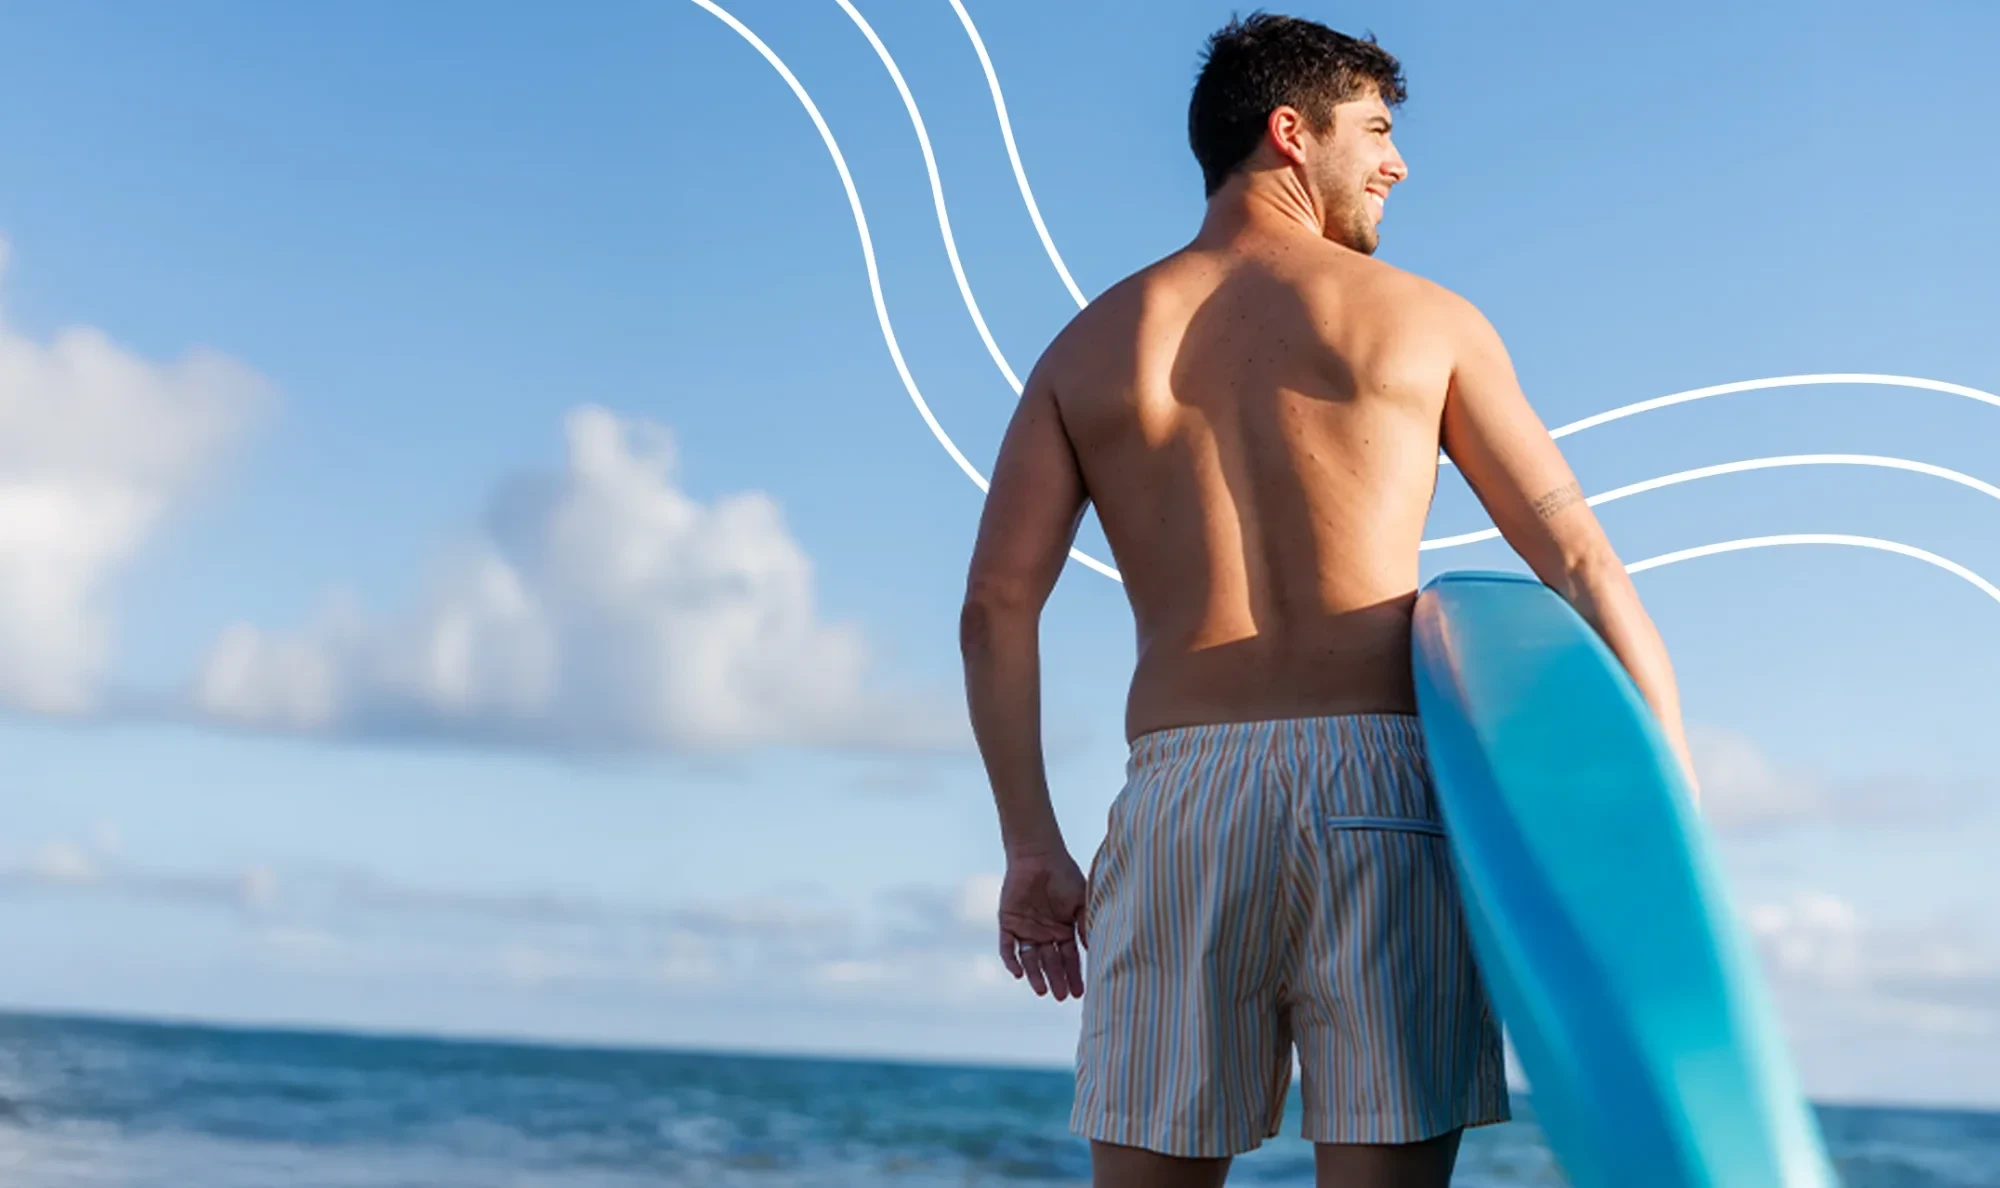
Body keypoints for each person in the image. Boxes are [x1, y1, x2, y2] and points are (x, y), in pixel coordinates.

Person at [958, 13, 1697, 1188]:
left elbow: (996, 606)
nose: (1395, 163)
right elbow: (1580, 567)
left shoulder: (1085, 349)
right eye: (1376, 130)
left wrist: (1030, 843)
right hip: (1386, 793)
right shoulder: (1422, 320)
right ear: (1288, 132)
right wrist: (1666, 804)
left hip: (1182, 798)